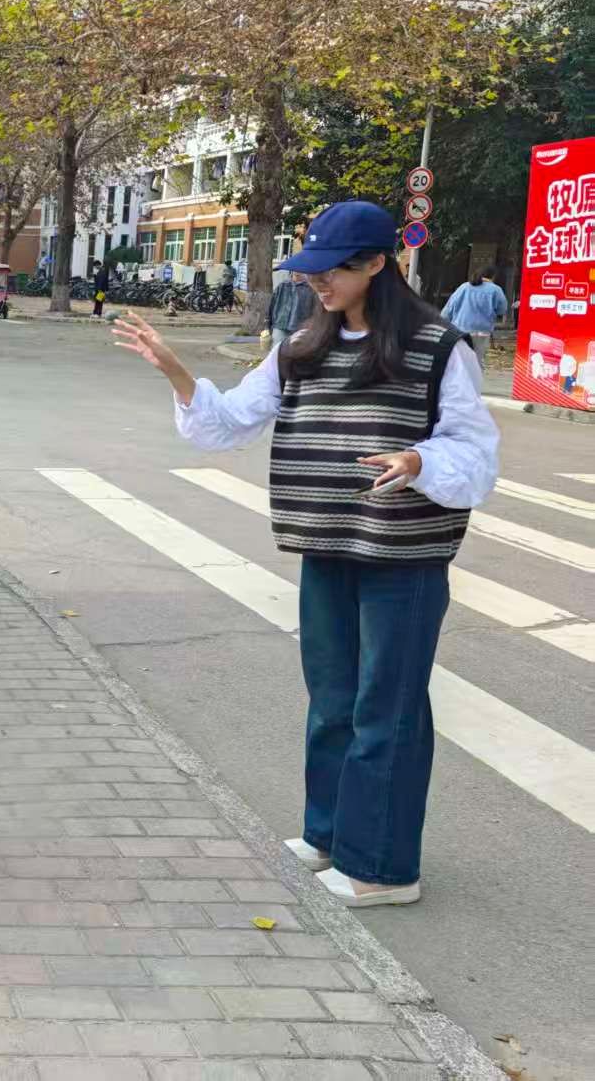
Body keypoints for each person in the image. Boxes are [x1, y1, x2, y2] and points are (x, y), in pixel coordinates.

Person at [115, 200, 498, 909]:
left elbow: (475, 453)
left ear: (378, 263)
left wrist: (419, 460)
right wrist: (176, 371)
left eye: (333, 269)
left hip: (404, 557)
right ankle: (328, 833)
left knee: (388, 706)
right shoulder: (300, 344)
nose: (317, 281)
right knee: (332, 699)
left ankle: (382, 868)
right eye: (310, 269)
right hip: (324, 542)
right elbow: (231, 421)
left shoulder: (441, 347)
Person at [440, 265, 508, 366]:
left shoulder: (464, 287)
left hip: (461, 328)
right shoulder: (496, 290)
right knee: (477, 360)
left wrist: (442, 322)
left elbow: (450, 307)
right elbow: (502, 309)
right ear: (493, 276)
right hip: (483, 330)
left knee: (460, 360)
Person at [269, 271, 316, 348]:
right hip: (280, 326)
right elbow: (272, 307)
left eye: (300, 269)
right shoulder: (282, 286)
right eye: (294, 269)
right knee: (277, 350)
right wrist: (268, 326)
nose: (297, 271)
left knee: (298, 352)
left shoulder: (311, 288)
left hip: (301, 327)